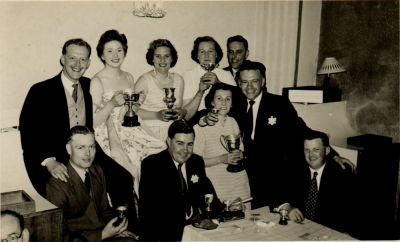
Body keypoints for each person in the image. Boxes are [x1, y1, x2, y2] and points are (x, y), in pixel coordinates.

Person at [201, 61, 354, 209]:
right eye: (244, 82)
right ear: (239, 84)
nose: (249, 87)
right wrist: (204, 119)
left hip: (273, 176)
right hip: (243, 176)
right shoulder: (234, 103)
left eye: (254, 81)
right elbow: (206, 113)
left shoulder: (279, 104)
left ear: (263, 81)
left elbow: (302, 130)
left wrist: (333, 154)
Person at [19, 38, 134, 213]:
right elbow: (29, 132)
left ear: (88, 63)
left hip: (88, 151)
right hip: (53, 155)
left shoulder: (90, 85)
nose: (77, 64)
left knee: (123, 178)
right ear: (63, 59)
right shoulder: (40, 90)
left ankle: (125, 228)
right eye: (72, 58)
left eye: (83, 60)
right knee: (66, 192)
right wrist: (49, 162)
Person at [90, 30, 166, 196]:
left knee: (160, 151)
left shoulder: (129, 77)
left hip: (131, 127)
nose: (115, 55)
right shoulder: (97, 81)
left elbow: (131, 111)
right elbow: (93, 121)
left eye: (119, 50)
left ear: (125, 52)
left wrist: (138, 103)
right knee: (129, 164)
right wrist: (111, 104)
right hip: (109, 133)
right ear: (102, 55)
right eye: (109, 51)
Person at [46, 126, 138, 241]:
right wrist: (103, 234)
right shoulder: (56, 185)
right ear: (69, 149)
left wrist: (117, 229)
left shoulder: (97, 171)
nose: (88, 153)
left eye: (92, 147)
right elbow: (59, 236)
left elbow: (105, 210)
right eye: (81, 148)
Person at [139, 120, 222, 241]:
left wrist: (224, 209)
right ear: (168, 141)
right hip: (163, 233)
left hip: (193, 231)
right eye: (180, 143)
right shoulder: (153, 165)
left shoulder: (196, 162)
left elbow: (208, 194)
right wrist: (194, 221)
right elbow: (151, 212)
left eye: (190, 144)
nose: (185, 150)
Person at [275, 130, 355, 233]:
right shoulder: (296, 169)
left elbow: (349, 215)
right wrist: (288, 208)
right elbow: (277, 191)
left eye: (316, 150)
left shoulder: (341, 174)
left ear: (327, 151)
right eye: (306, 150)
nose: (310, 155)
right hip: (298, 230)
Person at [193, 83, 250, 203]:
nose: (224, 103)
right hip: (217, 183)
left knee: (244, 218)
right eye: (219, 99)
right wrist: (221, 159)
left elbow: (241, 150)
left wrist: (240, 155)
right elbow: (195, 163)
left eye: (228, 99)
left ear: (232, 103)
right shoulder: (201, 126)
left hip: (239, 181)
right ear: (212, 102)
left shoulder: (233, 121)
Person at [134, 39, 186, 141]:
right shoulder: (144, 80)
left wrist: (181, 112)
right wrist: (157, 115)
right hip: (149, 133)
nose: (162, 60)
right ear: (152, 58)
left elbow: (179, 108)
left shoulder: (179, 79)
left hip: (174, 132)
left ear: (172, 58)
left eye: (166, 56)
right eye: (158, 56)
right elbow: (132, 110)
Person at [183, 36, 236, 121]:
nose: (206, 55)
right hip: (197, 123)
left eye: (210, 51)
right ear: (197, 55)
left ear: (216, 54)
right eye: (202, 51)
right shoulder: (188, 76)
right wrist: (200, 92)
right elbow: (186, 116)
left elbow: (238, 106)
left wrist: (218, 83)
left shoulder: (226, 75)